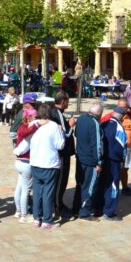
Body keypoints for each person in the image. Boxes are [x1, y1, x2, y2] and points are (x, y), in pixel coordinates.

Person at [29, 104, 65, 229]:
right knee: (48, 193)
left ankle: (36, 218)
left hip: (35, 162)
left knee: (37, 191)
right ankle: (47, 220)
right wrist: (62, 132)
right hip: (49, 164)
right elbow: (60, 145)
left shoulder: (33, 124)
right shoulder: (54, 126)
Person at [73, 102, 103, 221]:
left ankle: (76, 209)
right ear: (99, 114)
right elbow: (96, 145)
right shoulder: (94, 123)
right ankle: (84, 212)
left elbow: (76, 134)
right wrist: (99, 162)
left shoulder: (80, 118)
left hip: (80, 158)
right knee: (89, 187)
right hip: (90, 161)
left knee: (80, 184)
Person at [49, 91, 76, 219]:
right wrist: (71, 126)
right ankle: (58, 206)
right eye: (67, 101)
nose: (68, 103)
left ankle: (59, 204)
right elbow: (64, 135)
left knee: (60, 181)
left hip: (61, 154)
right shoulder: (57, 113)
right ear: (63, 101)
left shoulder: (54, 112)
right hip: (61, 154)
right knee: (61, 181)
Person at [100, 106, 128, 221]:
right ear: (122, 117)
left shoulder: (103, 124)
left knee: (103, 183)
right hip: (113, 161)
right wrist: (122, 159)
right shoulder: (119, 128)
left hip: (103, 159)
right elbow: (122, 147)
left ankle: (99, 207)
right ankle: (109, 212)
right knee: (113, 185)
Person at [13, 107, 38, 223]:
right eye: (34, 116)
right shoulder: (27, 128)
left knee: (19, 187)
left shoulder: (21, 127)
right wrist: (37, 125)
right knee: (25, 190)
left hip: (19, 162)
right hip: (26, 163)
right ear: (29, 117)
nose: (36, 119)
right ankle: (24, 215)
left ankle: (18, 211)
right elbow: (27, 131)